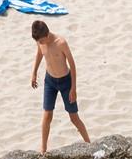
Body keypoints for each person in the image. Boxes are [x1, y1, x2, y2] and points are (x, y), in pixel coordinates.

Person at [29, 20, 91, 154]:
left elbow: (72, 65)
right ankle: (43, 150)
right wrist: (34, 73)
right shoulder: (40, 41)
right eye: (38, 41)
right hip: (50, 81)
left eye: (41, 41)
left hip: (66, 82)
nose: (40, 43)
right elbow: (39, 54)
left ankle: (89, 144)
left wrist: (73, 88)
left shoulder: (61, 43)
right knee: (47, 115)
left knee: (74, 117)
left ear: (46, 35)